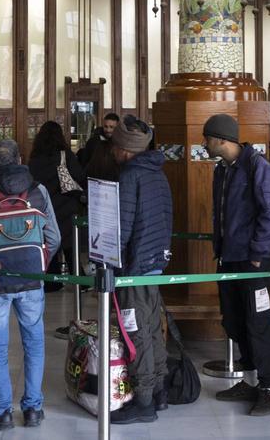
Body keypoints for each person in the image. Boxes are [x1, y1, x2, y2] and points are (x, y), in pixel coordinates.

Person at [0, 140, 61, 431]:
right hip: (32, 281)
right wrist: (37, 265)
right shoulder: (38, 191)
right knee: (34, 342)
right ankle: (32, 409)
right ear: (20, 158)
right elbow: (53, 237)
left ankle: (2, 412)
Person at [203, 113, 270, 416]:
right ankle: (250, 381)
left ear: (222, 139)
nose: (205, 143)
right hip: (228, 259)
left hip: (252, 262)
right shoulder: (222, 170)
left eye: (208, 138)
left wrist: (257, 252)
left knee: (258, 325)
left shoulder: (257, 167)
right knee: (235, 322)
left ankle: (269, 388)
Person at [107, 116, 173, 425]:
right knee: (151, 326)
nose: (112, 152)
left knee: (137, 331)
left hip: (134, 266)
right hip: (155, 263)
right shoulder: (157, 173)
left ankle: (144, 400)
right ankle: (159, 390)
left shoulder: (129, 177)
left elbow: (121, 227)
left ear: (124, 149)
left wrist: (111, 264)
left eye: (115, 146)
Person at [27, 121, 86, 283]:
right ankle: (79, 280)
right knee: (69, 245)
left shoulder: (34, 159)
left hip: (43, 205)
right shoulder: (65, 155)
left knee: (48, 242)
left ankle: (51, 280)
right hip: (66, 205)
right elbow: (79, 177)